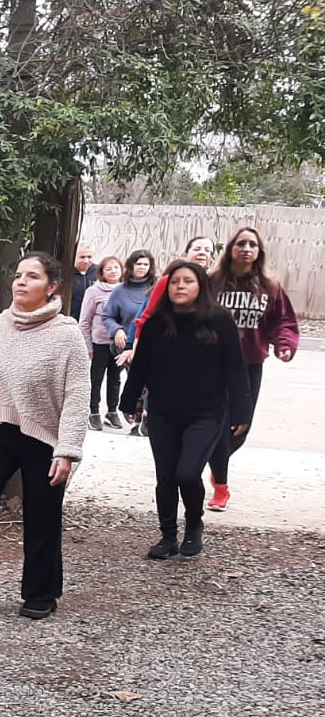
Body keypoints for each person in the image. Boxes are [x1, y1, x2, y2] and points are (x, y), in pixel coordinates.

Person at [0, 252, 89, 621]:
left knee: (42, 514)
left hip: (45, 437)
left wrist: (68, 451)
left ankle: (41, 592)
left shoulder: (67, 334)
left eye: (33, 276)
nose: (21, 281)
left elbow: (77, 395)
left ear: (52, 287)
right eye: (18, 274)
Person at [118, 259, 251, 560]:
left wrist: (243, 411)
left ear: (201, 286)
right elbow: (141, 367)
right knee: (165, 477)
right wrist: (129, 402)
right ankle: (167, 535)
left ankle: (194, 525)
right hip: (164, 411)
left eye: (188, 281)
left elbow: (235, 368)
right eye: (175, 281)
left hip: (207, 412)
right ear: (167, 286)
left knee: (187, 473)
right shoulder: (156, 322)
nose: (180, 287)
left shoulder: (220, 320)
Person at [204, 226, 300, 510]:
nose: (246, 248)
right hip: (212, 365)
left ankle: (214, 460)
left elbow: (282, 321)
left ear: (259, 252)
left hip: (249, 365)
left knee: (239, 428)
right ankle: (221, 486)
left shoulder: (270, 287)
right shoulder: (212, 283)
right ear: (231, 248)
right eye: (241, 243)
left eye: (252, 245)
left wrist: (284, 343)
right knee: (217, 424)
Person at [101, 249, 156, 435]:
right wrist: (116, 329)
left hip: (151, 345)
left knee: (148, 382)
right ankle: (136, 419)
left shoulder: (157, 289)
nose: (142, 267)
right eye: (138, 263)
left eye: (145, 264)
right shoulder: (119, 291)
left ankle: (144, 421)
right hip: (126, 344)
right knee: (137, 381)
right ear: (131, 266)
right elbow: (107, 316)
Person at [78, 255, 125, 430]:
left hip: (119, 344)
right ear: (102, 272)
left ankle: (112, 412)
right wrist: (87, 346)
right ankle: (93, 411)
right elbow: (84, 321)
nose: (113, 271)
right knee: (95, 379)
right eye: (109, 268)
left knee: (116, 379)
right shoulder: (93, 291)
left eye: (116, 267)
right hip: (99, 343)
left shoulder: (125, 290)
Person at [69, 243, 98, 315]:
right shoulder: (66, 273)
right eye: (82, 257)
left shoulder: (100, 272)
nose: (86, 260)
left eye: (89, 257)